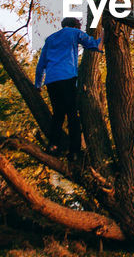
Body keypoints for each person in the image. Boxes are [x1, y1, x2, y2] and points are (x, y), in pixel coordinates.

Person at [34, 16, 103, 157]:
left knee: (58, 114)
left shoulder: (51, 39)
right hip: (67, 78)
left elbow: (41, 64)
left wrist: (37, 84)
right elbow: (96, 45)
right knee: (72, 114)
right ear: (76, 26)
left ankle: (53, 145)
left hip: (52, 80)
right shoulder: (74, 33)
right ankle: (74, 151)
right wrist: (104, 31)